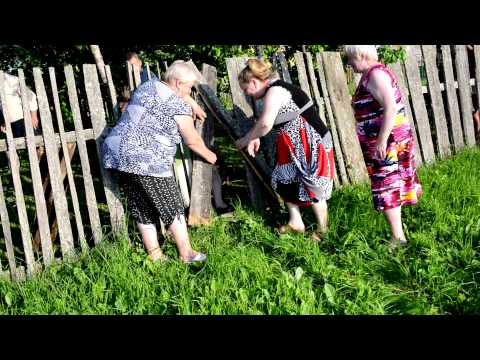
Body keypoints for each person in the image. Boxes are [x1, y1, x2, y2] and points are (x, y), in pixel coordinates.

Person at [102, 60, 217, 264]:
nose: (190, 92)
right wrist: (210, 155)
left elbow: (169, 90)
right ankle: (187, 254)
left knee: (142, 207)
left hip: (117, 152)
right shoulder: (176, 105)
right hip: (145, 157)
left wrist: (191, 102)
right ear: (178, 83)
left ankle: (155, 257)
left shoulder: (148, 86)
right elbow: (192, 140)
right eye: (189, 87)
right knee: (171, 204)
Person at [235, 59, 335, 241]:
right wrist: (256, 136)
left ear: (255, 82)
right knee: (283, 178)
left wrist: (246, 139)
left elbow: (265, 123)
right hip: (295, 143)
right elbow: (268, 120)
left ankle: (323, 231)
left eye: (245, 88)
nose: (246, 93)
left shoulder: (275, 91)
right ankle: (296, 222)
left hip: (311, 142)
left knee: (313, 184)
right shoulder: (274, 90)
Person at [346, 45, 422, 249]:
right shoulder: (372, 74)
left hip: (387, 142)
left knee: (386, 187)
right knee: (390, 186)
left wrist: (381, 140)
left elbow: (390, 108)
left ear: (360, 55)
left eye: (350, 58)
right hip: (386, 140)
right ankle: (399, 235)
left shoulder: (376, 75)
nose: (349, 63)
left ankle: (398, 239)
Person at [0, 72, 40, 137]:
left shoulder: (10, 79)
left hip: (24, 120)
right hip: (10, 124)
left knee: (35, 145)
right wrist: (3, 122)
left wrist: (34, 116)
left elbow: (31, 96)